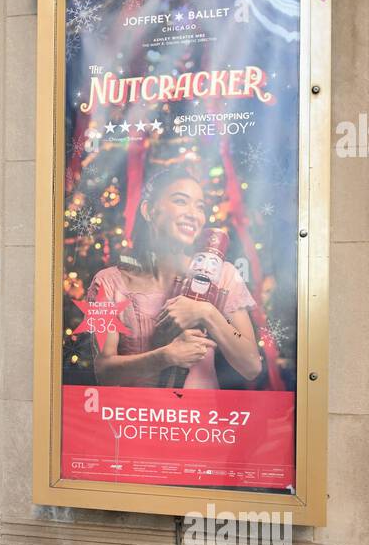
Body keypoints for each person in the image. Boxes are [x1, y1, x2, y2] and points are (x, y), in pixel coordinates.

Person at [87, 166, 262, 388]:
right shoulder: (107, 283)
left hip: (201, 420)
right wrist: (166, 356)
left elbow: (251, 366)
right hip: (136, 419)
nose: (193, 214)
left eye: (200, 207)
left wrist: (206, 312)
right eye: (181, 201)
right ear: (149, 210)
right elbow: (104, 372)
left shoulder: (222, 274)